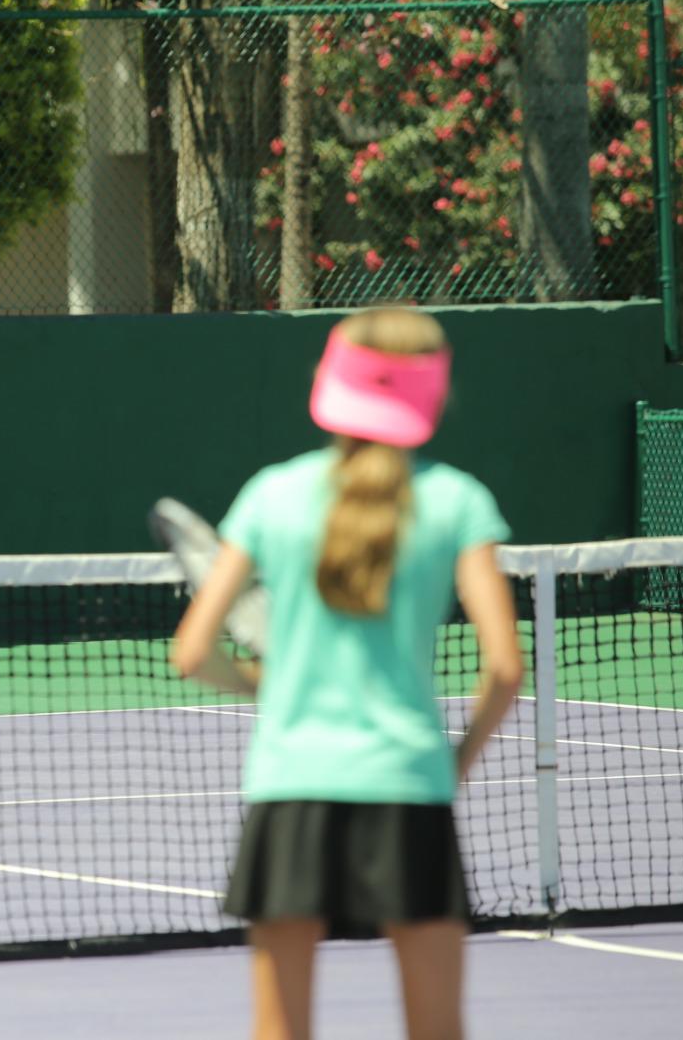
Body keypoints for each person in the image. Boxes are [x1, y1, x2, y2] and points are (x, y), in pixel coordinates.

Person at [170, 308, 523, 1040]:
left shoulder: (272, 494)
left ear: (330, 383)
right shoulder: (459, 501)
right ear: (433, 393)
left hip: (290, 789)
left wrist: (261, 683)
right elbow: (505, 669)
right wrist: (453, 763)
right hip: (410, 790)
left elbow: (192, 652)